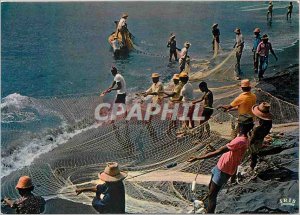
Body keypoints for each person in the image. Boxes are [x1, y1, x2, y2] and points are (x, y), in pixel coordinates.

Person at [187, 116, 254, 213]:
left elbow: (220, 151)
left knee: (212, 196)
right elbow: (233, 156)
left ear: (240, 126)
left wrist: (198, 158)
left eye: (238, 124)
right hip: (221, 167)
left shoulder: (240, 140)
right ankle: (208, 207)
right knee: (211, 189)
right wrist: (233, 175)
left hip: (223, 170)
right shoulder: (243, 138)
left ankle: (210, 212)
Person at [249, 102, 273, 170]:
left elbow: (252, 138)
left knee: (253, 155)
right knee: (255, 154)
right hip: (260, 139)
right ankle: (253, 165)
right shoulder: (269, 122)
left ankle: (251, 168)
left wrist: (248, 144)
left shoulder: (258, 127)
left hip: (254, 141)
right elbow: (267, 131)